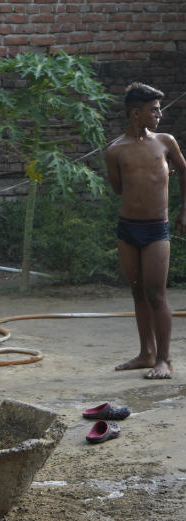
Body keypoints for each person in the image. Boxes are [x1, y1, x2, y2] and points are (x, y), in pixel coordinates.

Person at [104, 82, 186, 380]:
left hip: (156, 229)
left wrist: (183, 210)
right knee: (138, 291)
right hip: (128, 229)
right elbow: (118, 188)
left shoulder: (165, 142)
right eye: (154, 110)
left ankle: (164, 359)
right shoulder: (115, 150)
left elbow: (184, 171)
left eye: (159, 109)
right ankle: (146, 353)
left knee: (156, 292)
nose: (159, 115)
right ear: (135, 113)